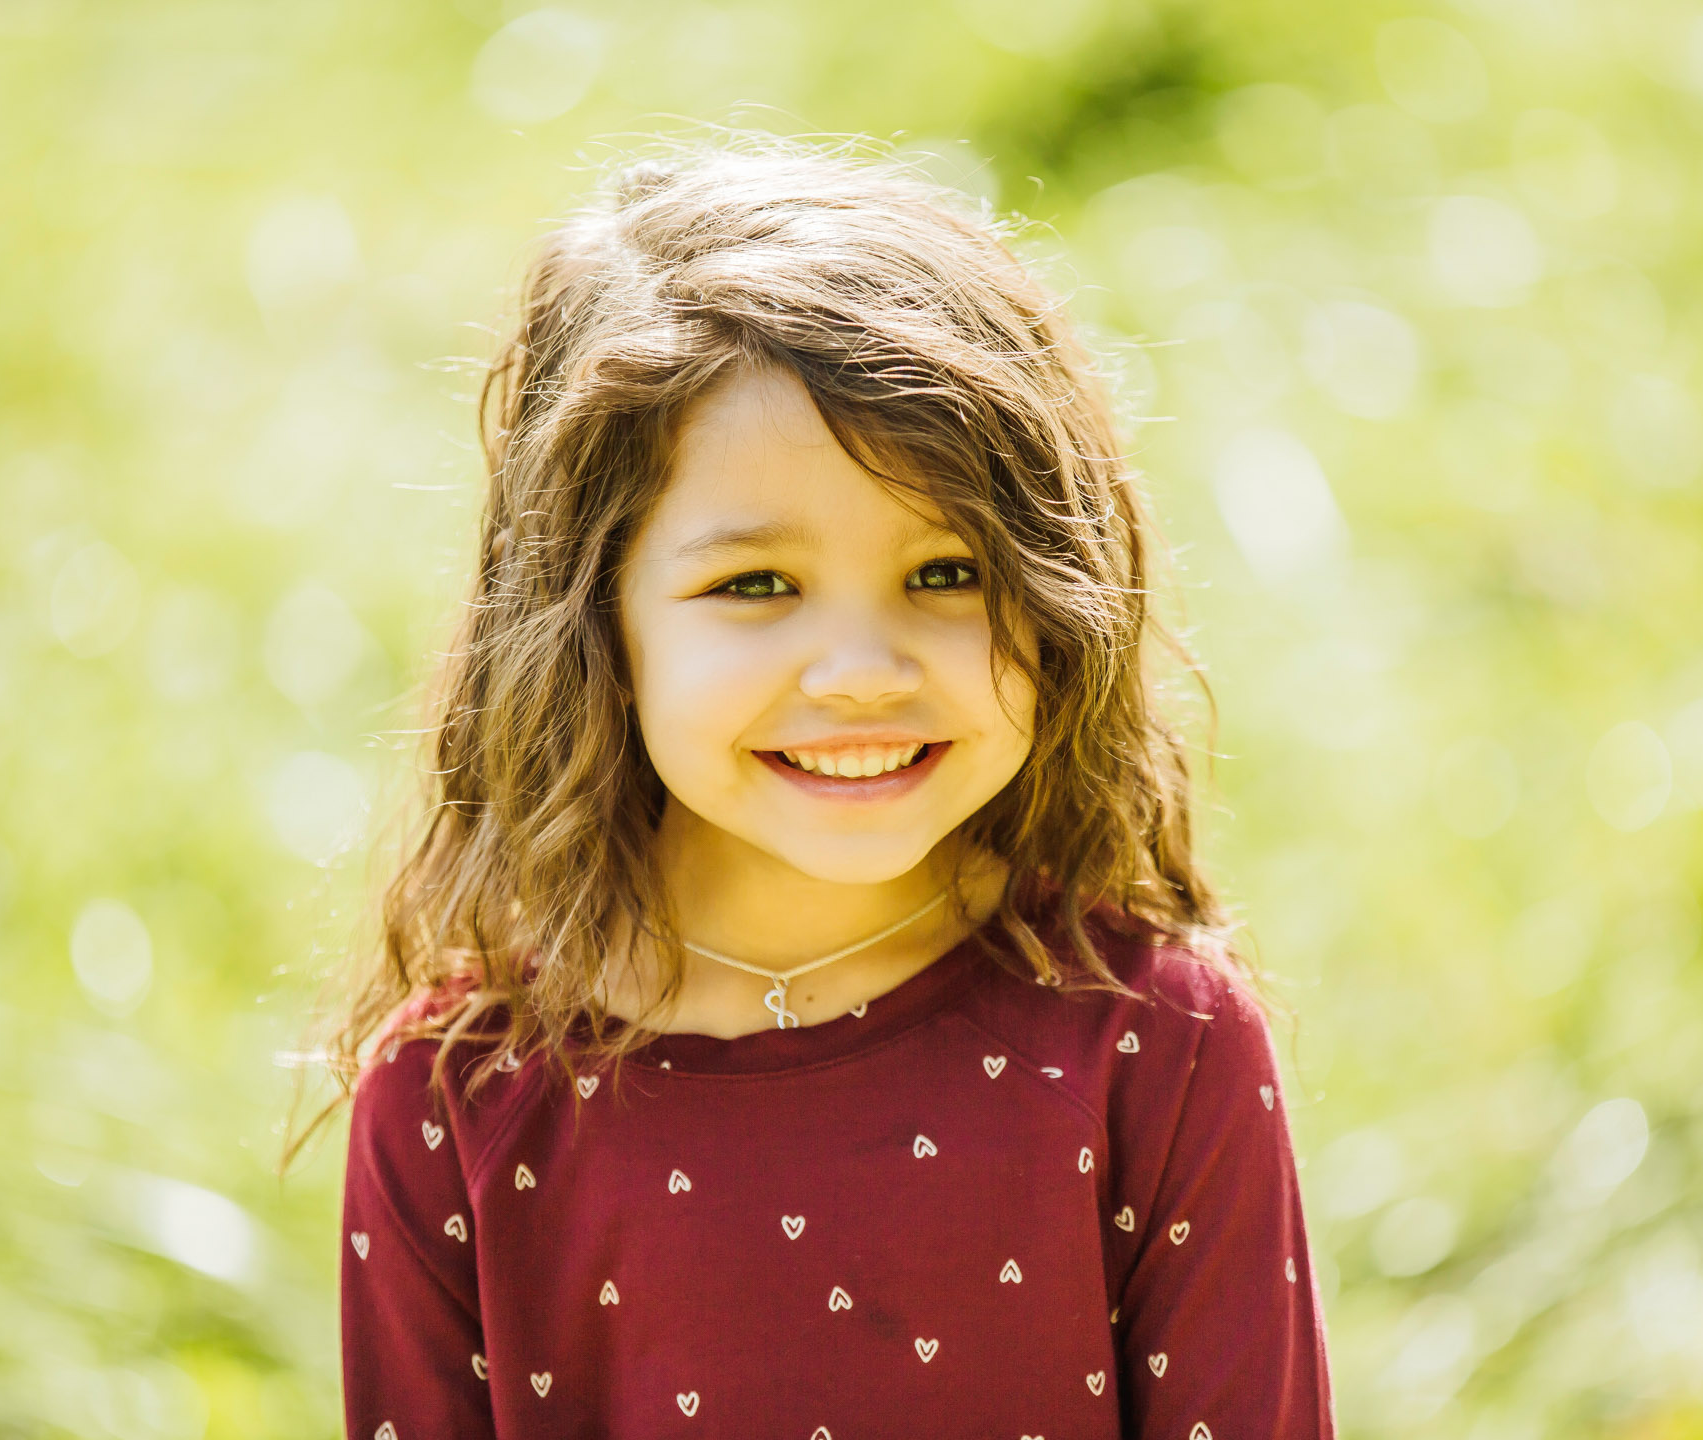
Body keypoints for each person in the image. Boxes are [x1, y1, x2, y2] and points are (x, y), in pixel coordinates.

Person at [305, 138, 1333, 1439]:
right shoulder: (456, 1102)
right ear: (592, 620)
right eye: (754, 586)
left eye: (947, 572)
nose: (858, 673)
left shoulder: (1152, 1039)